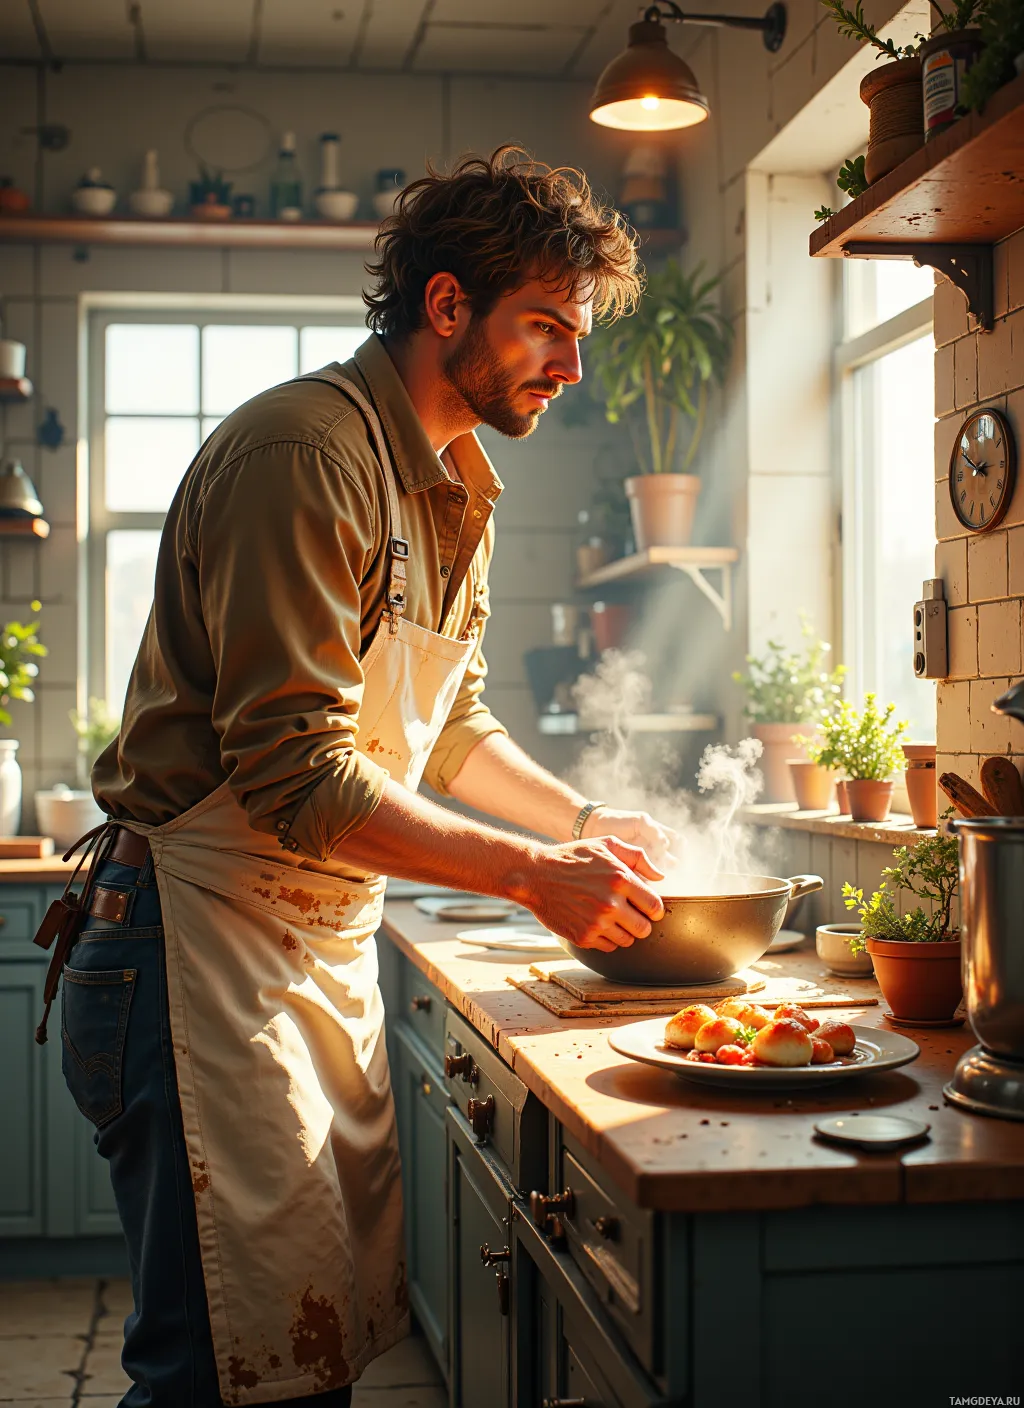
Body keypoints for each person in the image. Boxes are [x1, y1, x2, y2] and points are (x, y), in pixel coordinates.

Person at [49, 147, 673, 1407]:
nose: (571, 364)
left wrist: (581, 819)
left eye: (579, 331)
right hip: (187, 957)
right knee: (212, 1379)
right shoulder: (306, 453)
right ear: (448, 307)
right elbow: (294, 771)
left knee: (294, 1366)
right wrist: (532, 875)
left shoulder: (451, 487)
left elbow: (446, 724)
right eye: (548, 326)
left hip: (294, 953)